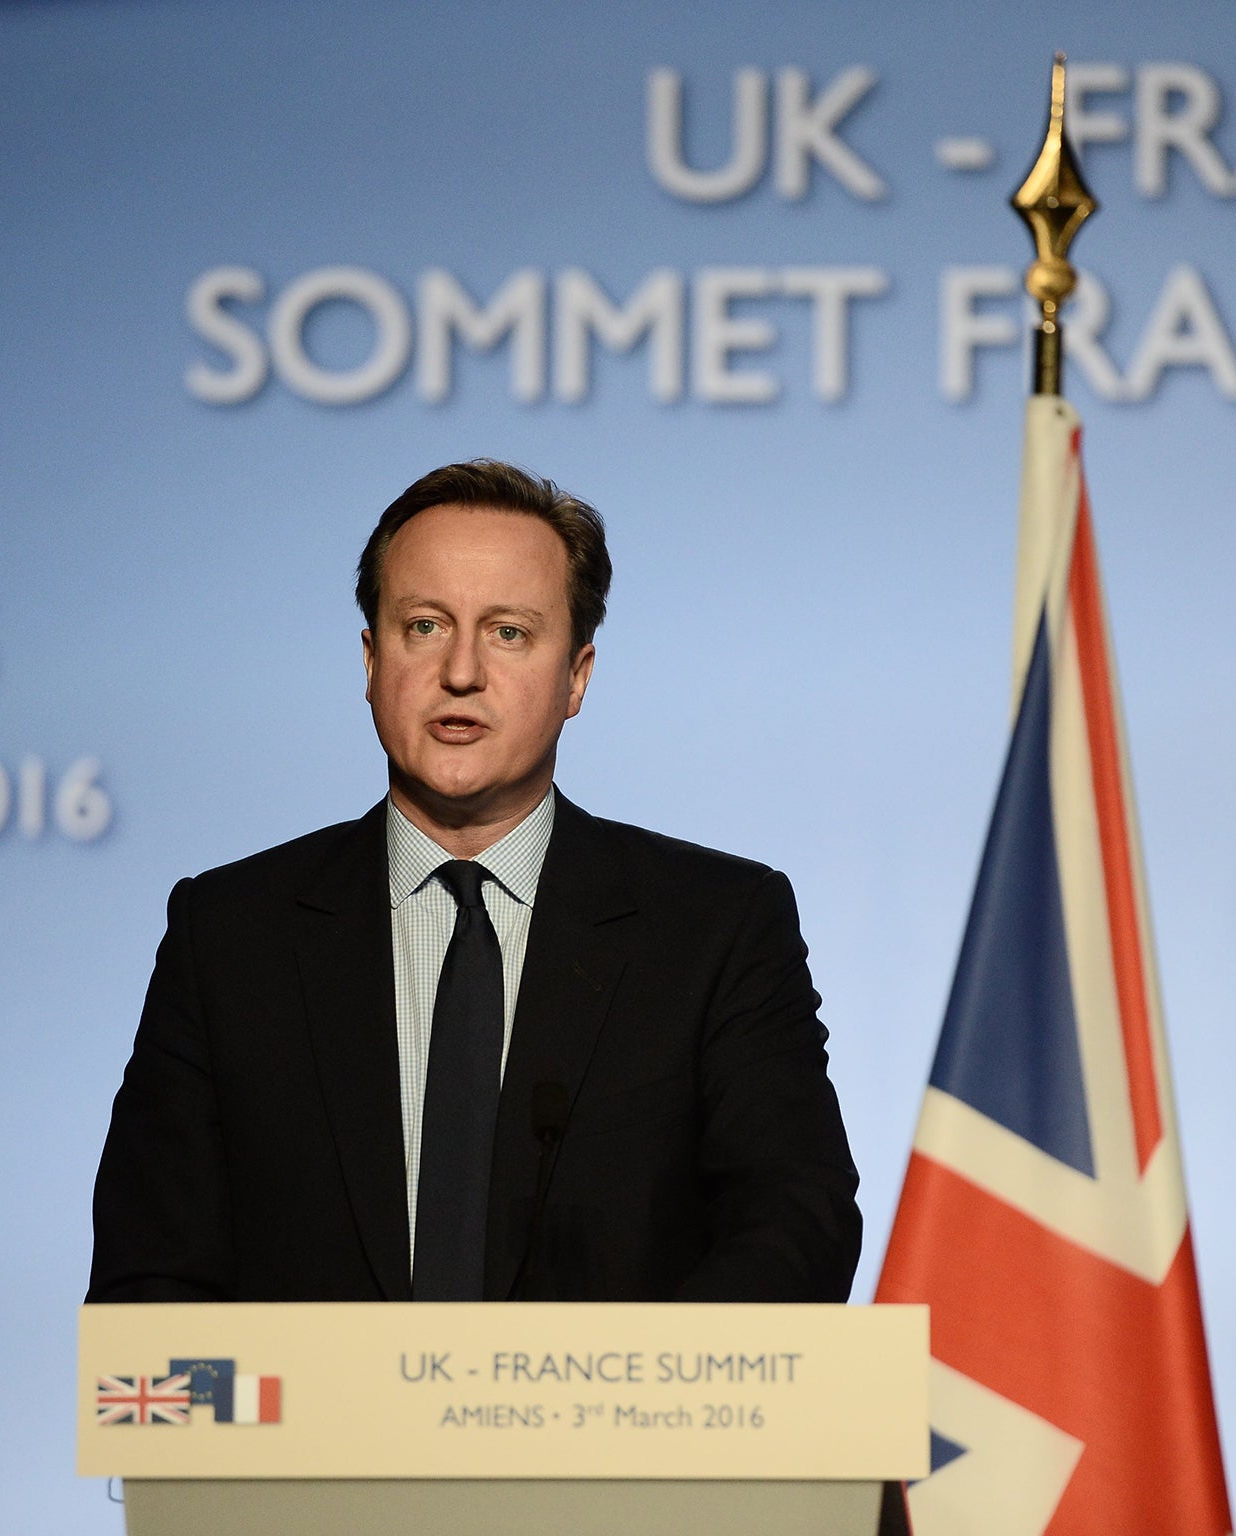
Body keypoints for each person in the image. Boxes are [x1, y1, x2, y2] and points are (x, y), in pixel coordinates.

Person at [88, 460, 860, 1303]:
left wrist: (625, 1415)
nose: (461, 671)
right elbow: (150, 1282)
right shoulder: (230, 935)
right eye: (423, 626)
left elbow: (796, 1226)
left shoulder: (716, 928)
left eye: (509, 632)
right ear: (372, 659)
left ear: (577, 676)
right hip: (316, 1436)